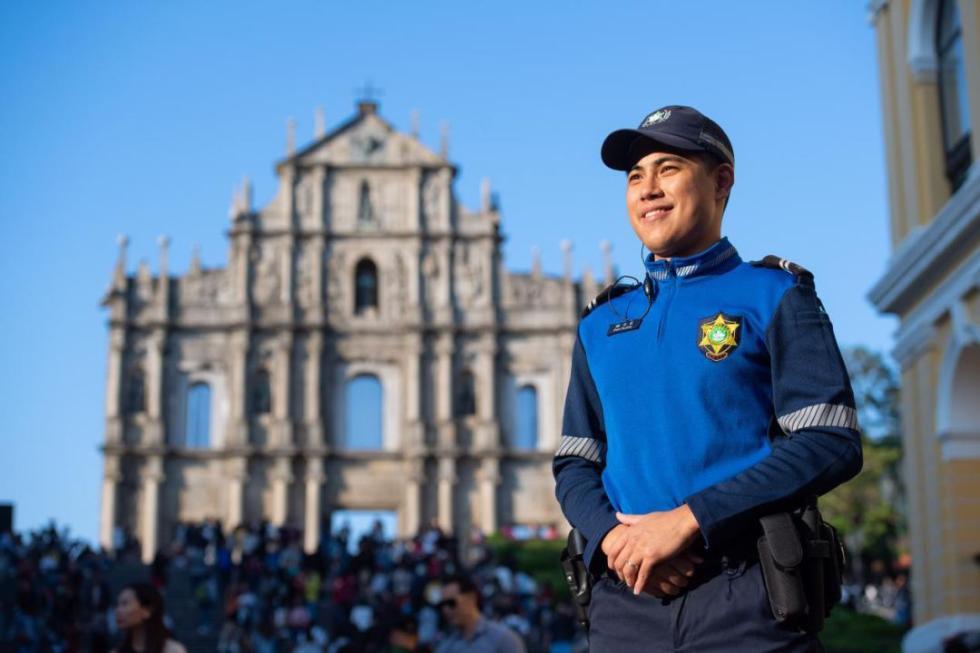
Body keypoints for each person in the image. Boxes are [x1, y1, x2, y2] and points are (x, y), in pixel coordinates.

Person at [552, 105, 863, 651]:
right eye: (634, 177)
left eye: (668, 168)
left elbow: (829, 440)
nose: (648, 189)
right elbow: (576, 462)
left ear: (721, 181)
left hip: (749, 594)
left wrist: (687, 521)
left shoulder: (775, 296)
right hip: (625, 603)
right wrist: (616, 540)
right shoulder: (599, 325)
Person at [435, 574, 527, 653]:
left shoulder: (503, 639)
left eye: (451, 603)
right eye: (442, 605)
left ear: (471, 598)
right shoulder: (446, 646)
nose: (446, 610)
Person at [113, 582, 187, 653]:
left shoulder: (173, 650)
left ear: (146, 611)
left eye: (125, 604)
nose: (118, 610)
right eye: (118, 605)